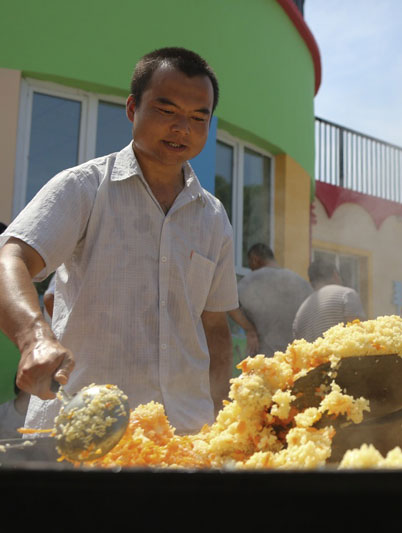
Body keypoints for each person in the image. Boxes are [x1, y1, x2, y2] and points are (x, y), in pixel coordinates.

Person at [0, 47, 238, 435]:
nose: (183, 128)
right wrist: (35, 338)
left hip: (186, 437)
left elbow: (214, 328)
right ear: (132, 109)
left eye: (199, 117)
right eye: (167, 111)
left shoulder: (213, 218)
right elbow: (10, 259)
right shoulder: (84, 188)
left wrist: (224, 416)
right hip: (84, 435)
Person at [228, 244, 312, 355]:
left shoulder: (252, 279)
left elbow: (229, 305)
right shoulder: (300, 282)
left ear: (255, 259)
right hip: (294, 358)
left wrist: (250, 330)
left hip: (263, 358)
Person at [292, 258, 366, 342]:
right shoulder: (347, 294)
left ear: (312, 283)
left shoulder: (300, 312)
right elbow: (360, 336)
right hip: (340, 355)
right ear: (335, 275)